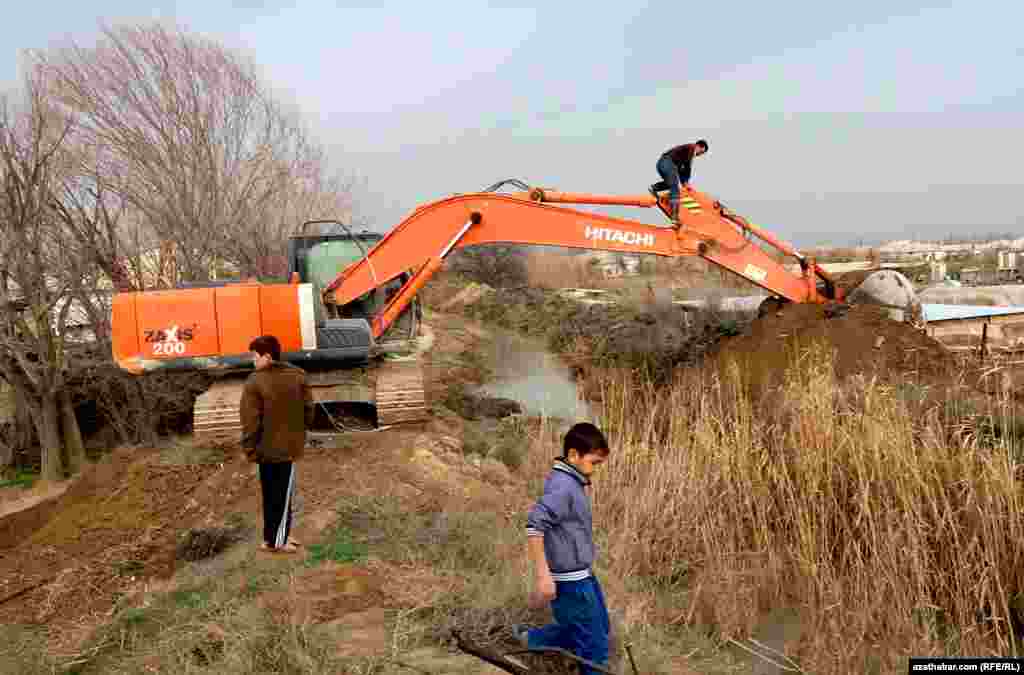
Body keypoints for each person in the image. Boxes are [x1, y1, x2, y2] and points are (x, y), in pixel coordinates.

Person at [513, 422, 612, 674]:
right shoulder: (563, 486)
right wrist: (543, 576)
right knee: (595, 650)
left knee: (597, 629)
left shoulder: (572, 482)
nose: (594, 470)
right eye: (593, 463)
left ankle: (531, 640)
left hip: (583, 576)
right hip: (570, 582)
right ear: (573, 455)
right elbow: (534, 526)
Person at [239, 334, 315, 554]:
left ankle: (271, 538)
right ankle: (279, 542)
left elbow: (249, 420)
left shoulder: (254, 382)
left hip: (264, 450)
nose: (253, 361)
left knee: (271, 496)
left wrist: (249, 448)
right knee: (282, 496)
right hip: (287, 449)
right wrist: (300, 431)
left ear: (268, 357)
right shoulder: (298, 376)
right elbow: (309, 410)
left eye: (255, 356)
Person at [651, 139, 709, 225]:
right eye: (701, 152)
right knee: (675, 188)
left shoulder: (684, 154)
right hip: (667, 163)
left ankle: (654, 187)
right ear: (699, 146)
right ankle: (674, 217)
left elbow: (682, 170)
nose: (699, 155)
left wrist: (684, 182)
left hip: (663, 163)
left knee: (672, 183)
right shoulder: (691, 148)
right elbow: (687, 166)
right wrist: (686, 182)